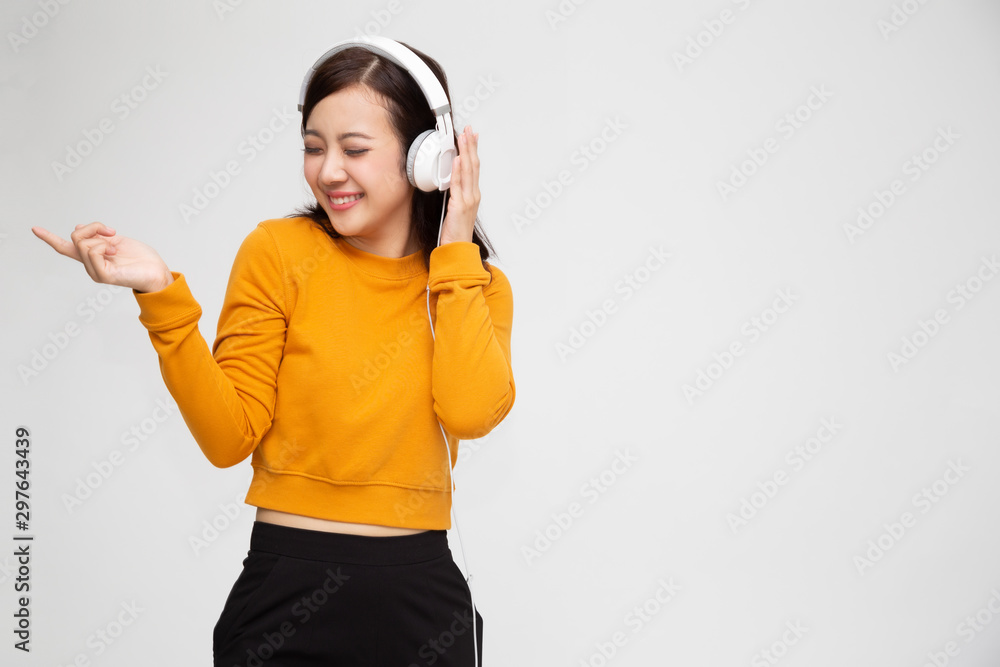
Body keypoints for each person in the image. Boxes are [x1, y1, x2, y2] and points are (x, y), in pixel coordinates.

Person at [32, 37, 515, 666]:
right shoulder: (277, 253)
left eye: (355, 149)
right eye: (314, 148)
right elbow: (230, 437)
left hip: (423, 601)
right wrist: (160, 298)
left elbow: (471, 412)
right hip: (285, 592)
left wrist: (453, 257)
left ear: (431, 158)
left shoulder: (472, 286)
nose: (329, 170)